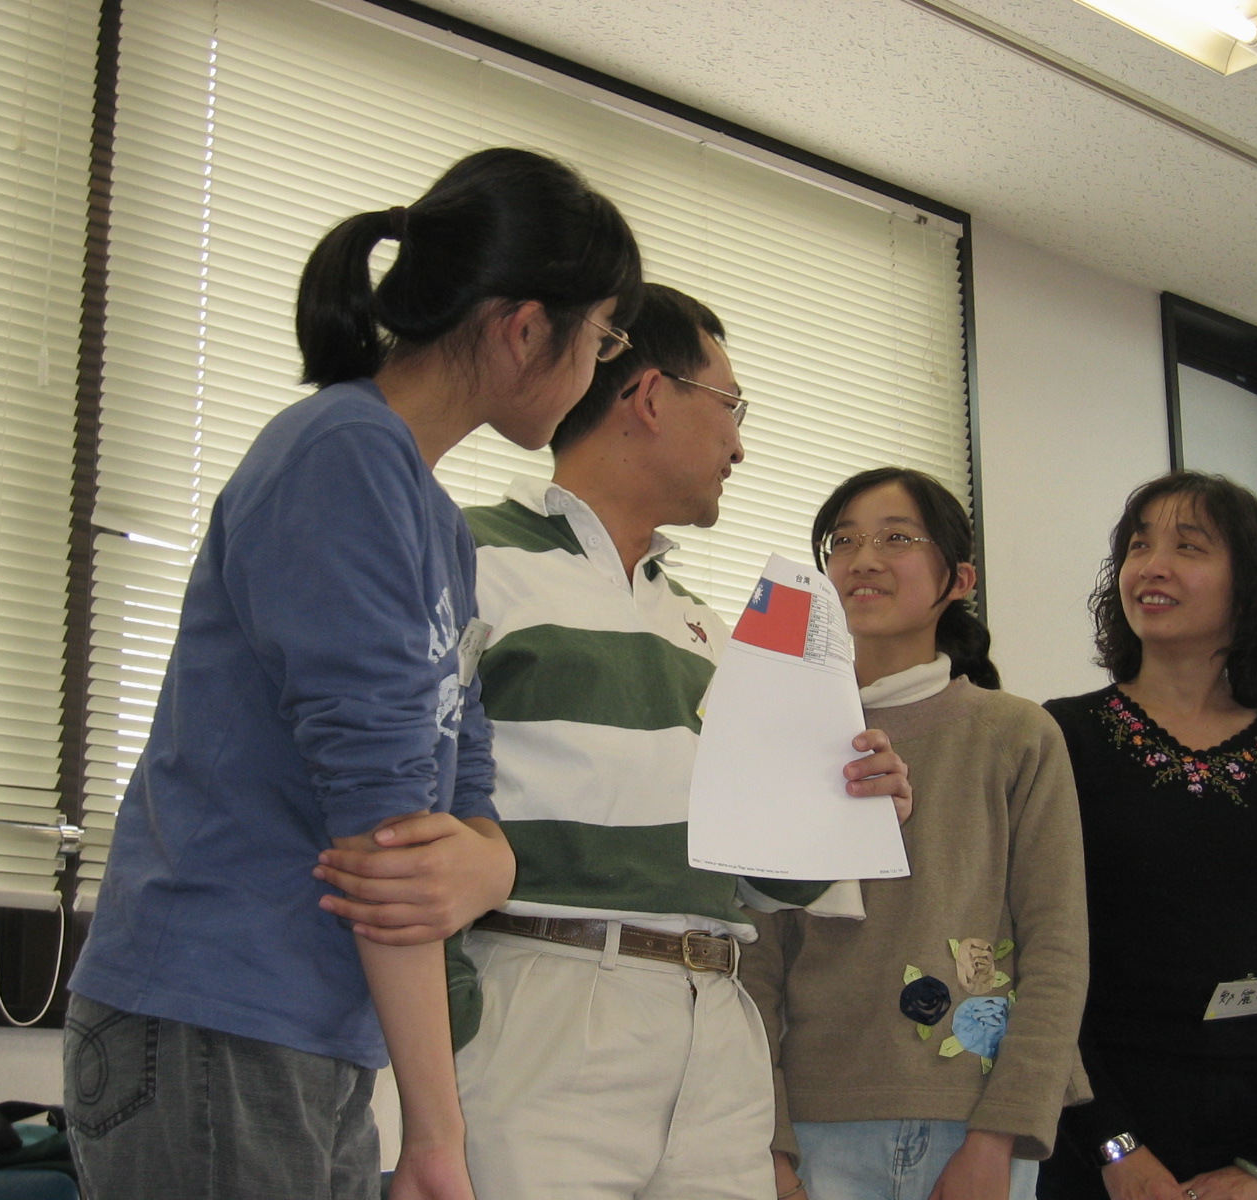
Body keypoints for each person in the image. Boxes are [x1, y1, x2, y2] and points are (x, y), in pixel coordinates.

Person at [63, 147, 643, 1200]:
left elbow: (461, 794)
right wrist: (436, 1133)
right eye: (600, 337)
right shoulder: (342, 454)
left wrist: (494, 866)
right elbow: (384, 823)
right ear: (524, 330)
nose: (597, 367)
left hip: (306, 1026)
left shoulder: (434, 520)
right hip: (215, 1010)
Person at [313, 283, 912, 1200]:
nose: (741, 446)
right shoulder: (465, 556)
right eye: (732, 407)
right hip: (543, 1008)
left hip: (720, 1024)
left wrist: (847, 806)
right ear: (652, 394)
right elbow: (391, 801)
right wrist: (462, 1013)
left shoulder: (711, 633)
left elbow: (763, 879)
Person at [738, 467, 1090, 1200]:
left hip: (972, 1122)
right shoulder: (785, 733)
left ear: (959, 579)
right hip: (813, 1125)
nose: (863, 559)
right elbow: (757, 954)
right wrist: (768, 1140)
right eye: (843, 541)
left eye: (896, 538)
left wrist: (1000, 1138)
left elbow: (1058, 951)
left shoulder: (1017, 735)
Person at [1038, 470, 1257, 1200]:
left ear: (1248, 585)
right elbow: (1035, 959)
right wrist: (1113, 1146)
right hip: (1097, 1138)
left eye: (1187, 547)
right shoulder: (1060, 736)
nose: (1151, 566)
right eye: (1138, 546)